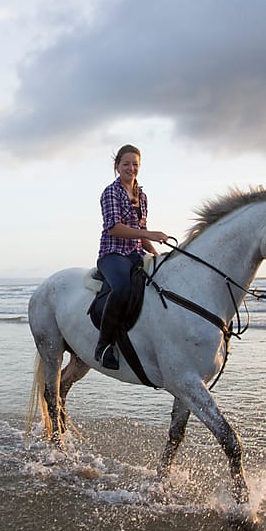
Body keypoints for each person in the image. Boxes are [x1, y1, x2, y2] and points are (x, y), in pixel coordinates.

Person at [94, 143, 169, 370]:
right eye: (126, 164)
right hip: (113, 254)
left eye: (135, 164)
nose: (131, 168)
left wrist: (155, 252)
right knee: (121, 289)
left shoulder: (142, 195)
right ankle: (104, 345)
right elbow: (115, 228)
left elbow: (139, 230)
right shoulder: (110, 192)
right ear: (117, 166)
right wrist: (149, 234)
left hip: (136, 253)